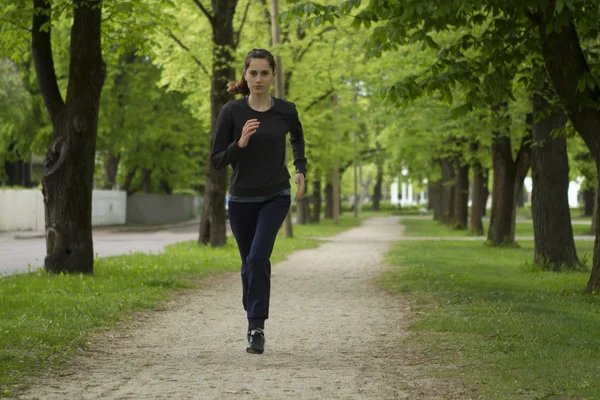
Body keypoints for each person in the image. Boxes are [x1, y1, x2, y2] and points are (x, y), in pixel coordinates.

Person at [210, 48, 307, 354]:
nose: (258, 79)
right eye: (253, 73)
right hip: (240, 199)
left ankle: (256, 327)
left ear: (273, 76)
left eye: (265, 73)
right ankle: (253, 310)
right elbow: (216, 160)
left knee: (257, 258)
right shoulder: (232, 112)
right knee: (247, 264)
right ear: (245, 75)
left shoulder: (285, 110)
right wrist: (240, 143)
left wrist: (300, 169)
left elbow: (297, 138)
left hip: (276, 195)